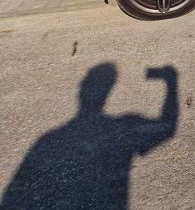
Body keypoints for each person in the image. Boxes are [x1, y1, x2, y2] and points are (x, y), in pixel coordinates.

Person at [1, 63, 179, 210]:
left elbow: (14, 194)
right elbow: (167, 128)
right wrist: (171, 82)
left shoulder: (48, 138)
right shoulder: (122, 125)